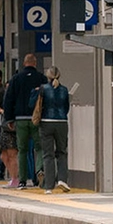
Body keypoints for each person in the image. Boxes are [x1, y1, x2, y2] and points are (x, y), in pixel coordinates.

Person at [2, 53, 46, 188]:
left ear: (24, 63)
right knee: (39, 148)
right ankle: (39, 173)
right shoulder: (42, 78)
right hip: (36, 119)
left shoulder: (16, 79)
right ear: (35, 63)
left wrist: (9, 118)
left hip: (20, 119)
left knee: (22, 150)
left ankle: (22, 180)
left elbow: (8, 99)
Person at [38, 66, 72, 194]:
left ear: (48, 76)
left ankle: (48, 186)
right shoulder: (64, 90)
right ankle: (62, 179)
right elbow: (66, 107)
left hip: (46, 122)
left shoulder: (43, 89)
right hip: (62, 123)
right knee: (62, 152)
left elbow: (35, 105)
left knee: (48, 155)